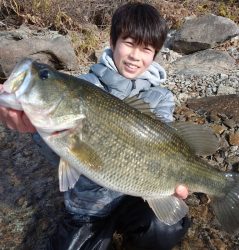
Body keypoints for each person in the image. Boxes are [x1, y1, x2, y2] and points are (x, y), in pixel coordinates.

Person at [0, 2, 190, 250]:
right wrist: (33, 128)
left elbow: (167, 144)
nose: (135, 56)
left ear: (155, 55)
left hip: (136, 196)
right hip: (88, 207)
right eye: (129, 43)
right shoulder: (83, 85)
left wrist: (175, 179)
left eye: (146, 49)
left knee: (165, 229)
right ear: (112, 42)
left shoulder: (161, 98)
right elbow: (59, 155)